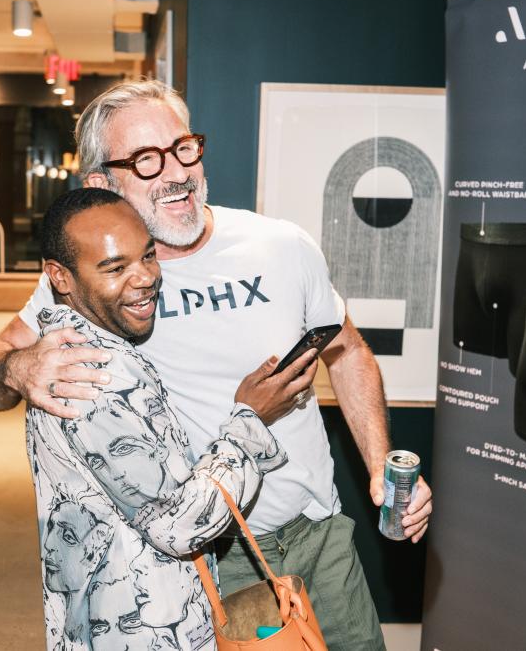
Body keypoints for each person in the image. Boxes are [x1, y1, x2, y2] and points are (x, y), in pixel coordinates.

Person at [0, 80, 434, 650]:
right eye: (145, 160)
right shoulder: (93, 279)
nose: (175, 172)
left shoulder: (280, 244)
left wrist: (379, 464)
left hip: (322, 530)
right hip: (218, 555)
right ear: (101, 183)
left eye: (182, 147)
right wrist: (17, 369)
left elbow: (348, 351)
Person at [24, 187, 317, 650]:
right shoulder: (96, 377)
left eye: (147, 256)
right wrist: (252, 418)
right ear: (60, 277)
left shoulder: (74, 352)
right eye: (115, 268)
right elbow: (184, 526)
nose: (144, 278)